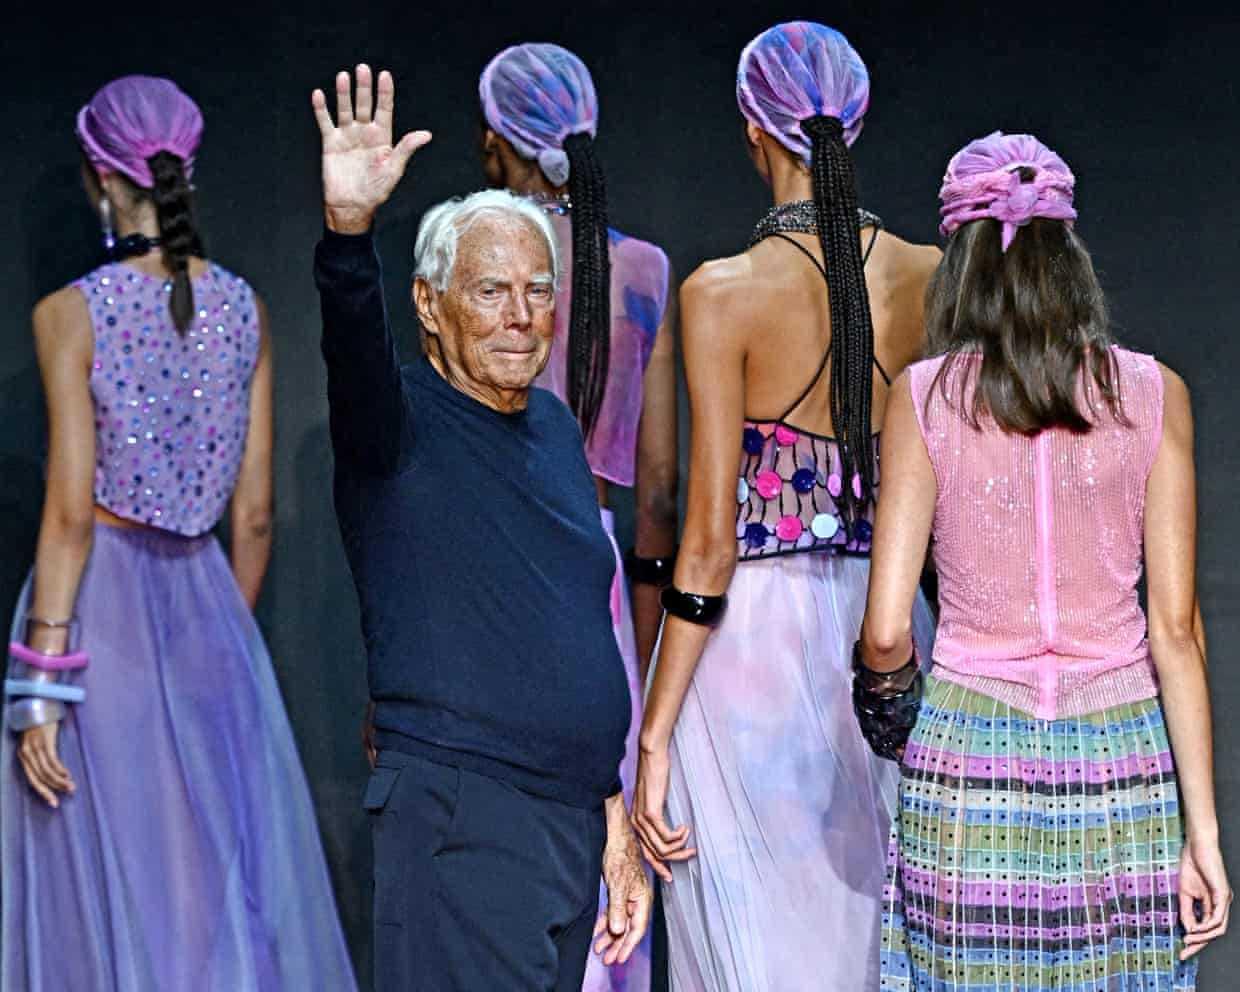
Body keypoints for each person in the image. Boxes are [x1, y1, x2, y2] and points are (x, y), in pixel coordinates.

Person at [0, 75, 356, 990]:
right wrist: (218, 632)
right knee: (210, 878)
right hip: (209, 608)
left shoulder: (71, 313)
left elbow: (69, 514)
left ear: (99, 175)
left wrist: (40, 681)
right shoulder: (245, 308)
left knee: (118, 879)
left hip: (101, 618)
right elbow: (255, 516)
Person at [856, 131, 1232, 990]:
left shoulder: (924, 399)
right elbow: (1176, 633)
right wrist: (1203, 834)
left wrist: (889, 712)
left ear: (960, 264)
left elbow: (884, 632)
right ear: (1070, 256)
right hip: (1123, 758)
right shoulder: (1154, 393)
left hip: (966, 755)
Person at [310, 65, 651, 990]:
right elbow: (351, 345)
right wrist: (348, 233)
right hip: (462, 817)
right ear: (430, 304)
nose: (521, 317)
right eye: (491, 291)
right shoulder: (394, 423)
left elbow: (568, 633)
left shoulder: (553, 429)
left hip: (566, 822)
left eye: (538, 291)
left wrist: (611, 816)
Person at [630, 22, 939, 990]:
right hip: (892, 632)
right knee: (879, 931)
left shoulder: (721, 292)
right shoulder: (931, 276)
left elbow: (707, 543)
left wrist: (652, 730)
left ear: (752, 130)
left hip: (749, 651)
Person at [479, 42, 678, 992]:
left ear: (498, 145)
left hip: (491, 562)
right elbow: (659, 490)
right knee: (603, 830)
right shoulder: (641, 270)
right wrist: (646, 642)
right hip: (597, 574)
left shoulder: (478, 270)